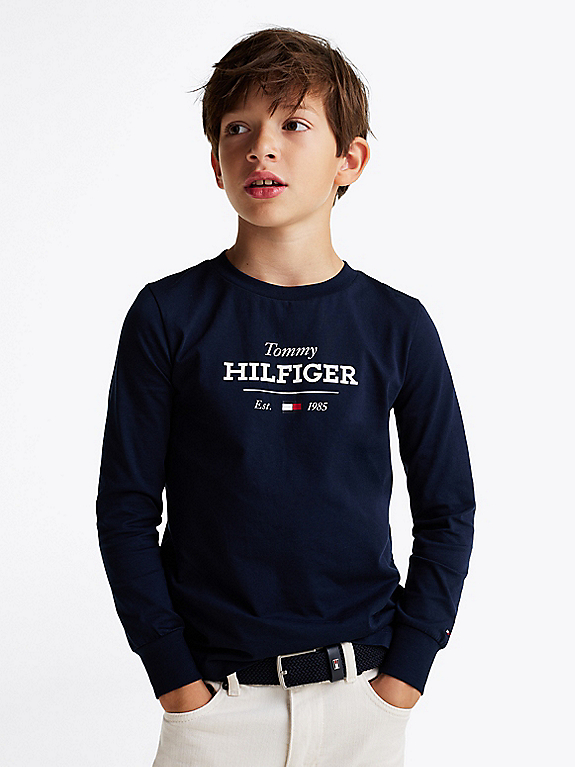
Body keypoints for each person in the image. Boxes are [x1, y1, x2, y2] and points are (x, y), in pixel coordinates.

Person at [96, 26, 475, 767]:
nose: (260, 148)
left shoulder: (396, 324)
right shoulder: (168, 314)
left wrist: (403, 677)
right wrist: (176, 682)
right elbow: (126, 508)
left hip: (361, 697)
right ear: (216, 163)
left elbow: (448, 510)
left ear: (349, 159)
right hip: (215, 702)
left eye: (293, 124)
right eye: (237, 129)